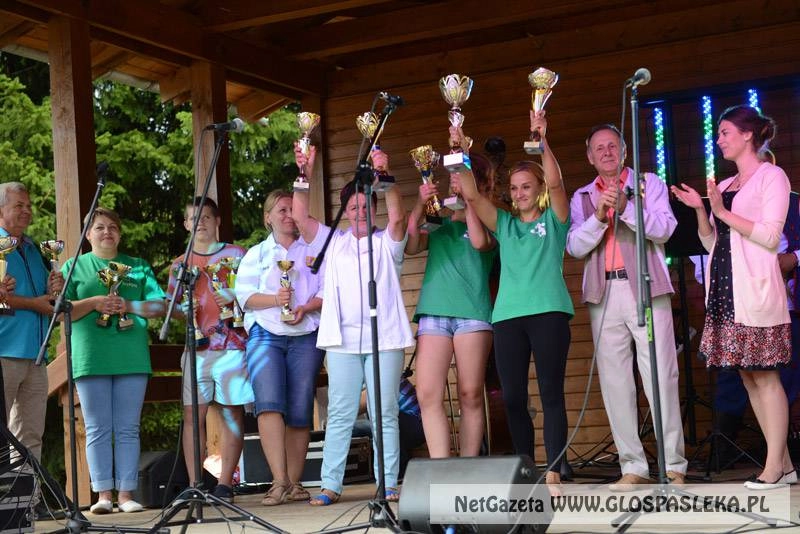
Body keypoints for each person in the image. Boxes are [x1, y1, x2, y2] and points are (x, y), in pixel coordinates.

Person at [672, 105, 794, 489]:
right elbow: (712, 243)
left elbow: (771, 237)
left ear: (747, 135)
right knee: (748, 375)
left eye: (725, 132)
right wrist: (702, 212)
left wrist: (722, 213)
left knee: (766, 374)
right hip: (726, 291)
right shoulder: (724, 187)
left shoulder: (771, 176)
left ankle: (773, 466)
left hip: (756, 290)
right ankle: (785, 465)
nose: (719, 139)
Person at [566, 122, 687, 491]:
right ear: (589, 157)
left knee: (661, 377)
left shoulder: (649, 183)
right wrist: (599, 217)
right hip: (604, 295)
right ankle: (633, 466)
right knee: (616, 382)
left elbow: (666, 229)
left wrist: (628, 209)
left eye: (612, 145)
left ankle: (673, 465)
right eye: (598, 148)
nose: (606, 152)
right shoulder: (583, 196)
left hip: (647, 291)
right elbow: (574, 247)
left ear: (625, 151)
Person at [458, 110, 573, 492]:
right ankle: (526, 469)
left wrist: (542, 140)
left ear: (537, 189)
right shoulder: (505, 224)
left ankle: (556, 467)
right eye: (516, 187)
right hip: (507, 317)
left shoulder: (555, 221)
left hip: (549, 313)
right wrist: (458, 149)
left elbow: (556, 184)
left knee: (551, 392)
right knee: (512, 397)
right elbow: (472, 194)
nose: (520, 193)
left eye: (528, 186)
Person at [293, 145, 413, 506]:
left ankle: (388, 482)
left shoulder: (386, 243)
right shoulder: (334, 242)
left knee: (384, 412)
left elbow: (398, 217)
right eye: (353, 208)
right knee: (341, 413)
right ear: (345, 212)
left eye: (365, 206)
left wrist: (385, 176)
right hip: (342, 341)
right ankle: (330, 485)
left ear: (372, 209)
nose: (360, 212)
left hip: (385, 338)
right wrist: (305, 172)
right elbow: (300, 215)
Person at [61, 207, 165, 513]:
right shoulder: (73, 266)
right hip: (91, 358)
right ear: (88, 234)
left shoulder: (138, 266)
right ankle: (103, 495)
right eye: (99, 227)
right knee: (96, 428)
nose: (107, 232)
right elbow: (62, 311)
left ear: (120, 233)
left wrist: (128, 305)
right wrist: (96, 302)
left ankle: (126, 495)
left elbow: (159, 306)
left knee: (128, 427)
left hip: (131, 357)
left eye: (113, 227)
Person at [235, 189, 326, 506]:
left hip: (306, 334)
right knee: (269, 403)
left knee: (300, 407)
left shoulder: (314, 248)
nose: (288, 215)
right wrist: (276, 300)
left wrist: (307, 307)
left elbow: (327, 289)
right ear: (267, 217)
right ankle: (278, 480)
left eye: (293, 209)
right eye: (282, 210)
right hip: (266, 334)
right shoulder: (256, 254)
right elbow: (244, 297)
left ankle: (297, 482)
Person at [405, 153, 496, 458]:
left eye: (462, 176)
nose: (454, 183)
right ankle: (441, 467)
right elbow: (413, 245)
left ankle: (468, 467)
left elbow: (481, 243)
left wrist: (467, 203)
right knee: (428, 393)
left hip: (473, 312)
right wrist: (422, 204)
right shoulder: (440, 216)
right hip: (434, 310)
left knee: (470, 393)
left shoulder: (492, 215)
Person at [167, 197, 254, 502]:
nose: (200, 223)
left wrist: (234, 298)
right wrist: (183, 309)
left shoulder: (238, 255)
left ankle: (225, 484)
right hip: (196, 349)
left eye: (206, 217)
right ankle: (195, 485)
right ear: (186, 225)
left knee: (231, 413)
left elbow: (253, 296)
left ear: (217, 222)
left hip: (232, 345)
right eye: (194, 219)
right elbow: (171, 307)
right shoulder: (180, 264)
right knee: (193, 416)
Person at [0, 182, 63, 462]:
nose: (27, 211)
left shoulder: (33, 248)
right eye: (19, 206)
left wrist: (52, 291)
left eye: (28, 205)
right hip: (4, 352)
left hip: (36, 355)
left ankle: (28, 503)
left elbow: (44, 300)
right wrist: (33, 303)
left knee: (30, 436)